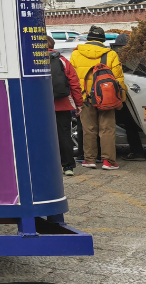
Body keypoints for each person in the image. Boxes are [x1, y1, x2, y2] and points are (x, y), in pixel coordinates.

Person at [70, 26, 126, 170]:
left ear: (88, 38)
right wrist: (121, 99)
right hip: (106, 98)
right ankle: (108, 161)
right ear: (102, 40)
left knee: (88, 130)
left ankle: (89, 160)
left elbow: (72, 79)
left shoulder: (76, 54)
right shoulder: (111, 54)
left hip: (85, 98)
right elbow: (118, 80)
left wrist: (77, 99)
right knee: (107, 129)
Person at [47, 36, 82, 176]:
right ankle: (68, 166)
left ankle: (47, 165)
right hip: (63, 104)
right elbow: (74, 83)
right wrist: (78, 104)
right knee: (64, 135)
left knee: (44, 136)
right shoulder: (63, 60)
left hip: (41, 107)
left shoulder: (33, 61)